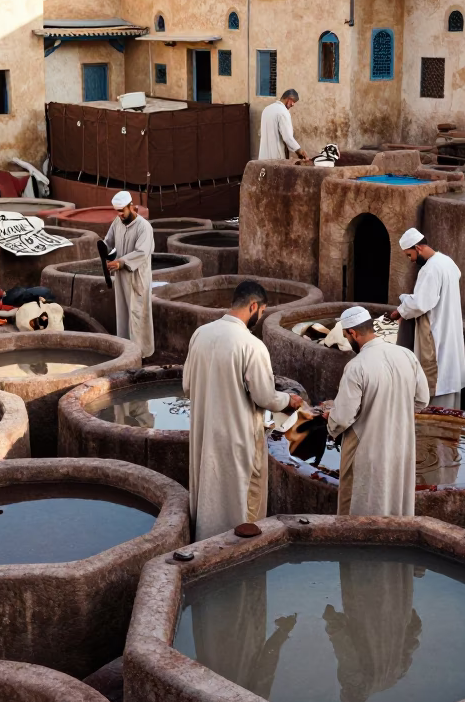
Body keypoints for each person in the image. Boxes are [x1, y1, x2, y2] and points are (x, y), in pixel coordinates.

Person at [183, 279, 303, 541]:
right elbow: (264, 396)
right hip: (238, 438)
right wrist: (288, 401)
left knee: (210, 491)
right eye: (262, 312)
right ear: (254, 306)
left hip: (205, 432)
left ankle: (203, 545)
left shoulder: (201, 334)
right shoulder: (252, 345)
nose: (260, 318)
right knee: (241, 501)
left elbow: (187, 386)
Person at [326, 305, 429, 517]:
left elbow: (343, 418)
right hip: (401, 444)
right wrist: (395, 413)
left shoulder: (357, 366)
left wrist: (331, 422)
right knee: (395, 498)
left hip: (366, 449)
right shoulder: (407, 355)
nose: (347, 341)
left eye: (346, 336)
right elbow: (422, 400)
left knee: (359, 505)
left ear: (353, 333)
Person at [388, 228, 465, 409]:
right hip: (449, 329)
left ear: (418, 248)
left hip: (436, 333)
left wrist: (400, 310)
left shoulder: (430, 268)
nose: (412, 260)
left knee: (436, 382)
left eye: (410, 255)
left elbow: (420, 303)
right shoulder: (447, 262)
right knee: (449, 381)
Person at [104, 191, 155, 358]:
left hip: (137, 278)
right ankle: (126, 352)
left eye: (122, 211)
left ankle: (142, 354)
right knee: (123, 314)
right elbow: (108, 242)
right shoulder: (117, 222)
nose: (119, 215)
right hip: (121, 278)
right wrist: (105, 254)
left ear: (130, 206)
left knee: (138, 315)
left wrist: (121, 262)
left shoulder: (144, 227)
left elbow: (142, 252)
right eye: (117, 212)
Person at [258, 89, 308, 161]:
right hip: (276, 158)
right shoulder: (283, 112)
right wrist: (299, 152)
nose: (293, 105)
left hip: (263, 157)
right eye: (293, 101)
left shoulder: (266, 109)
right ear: (288, 98)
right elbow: (288, 138)